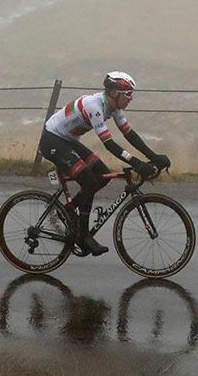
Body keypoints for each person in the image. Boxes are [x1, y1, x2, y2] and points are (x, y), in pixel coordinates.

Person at [37, 72, 171, 256]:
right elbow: (109, 144)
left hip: (68, 140)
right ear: (115, 93)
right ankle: (83, 235)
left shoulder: (113, 107)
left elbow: (129, 134)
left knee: (102, 174)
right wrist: (137, 163)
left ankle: (68, 210)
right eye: (128, 94)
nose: (131, 99)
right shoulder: (95, 107)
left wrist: (154, 156)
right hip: (52, 140)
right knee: (89, 181)